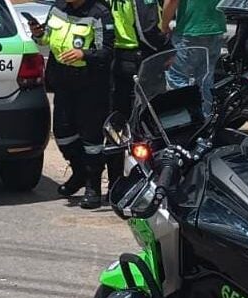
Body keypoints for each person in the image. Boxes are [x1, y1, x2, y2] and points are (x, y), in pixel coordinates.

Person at [30, 0, 115, 209]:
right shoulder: (59, 8)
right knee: (62, 133)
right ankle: (79, 172)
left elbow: (107, 51)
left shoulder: (99, 13)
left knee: (91, 139)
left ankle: (92, 186)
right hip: (63, 83)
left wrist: (84, 54)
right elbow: (47, 40)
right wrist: (39, 34)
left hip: (91, 86)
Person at [107, 0, 169, 190]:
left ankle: (115, 183)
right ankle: (148, 181)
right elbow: (148, 31)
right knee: (147, 124)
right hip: (139, 60)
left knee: (116, 125)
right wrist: (166, 46)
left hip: (114, 60)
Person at [160, 0, 226, 114]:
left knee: (177, 77)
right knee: (206, 79)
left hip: (190, 30)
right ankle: (206, 118)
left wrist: (163, 25)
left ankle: (184, 119)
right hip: (215, 29)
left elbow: (171, 1)